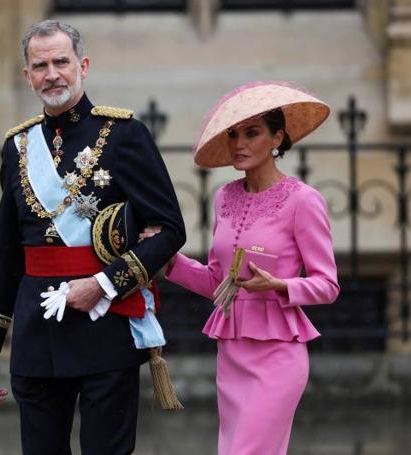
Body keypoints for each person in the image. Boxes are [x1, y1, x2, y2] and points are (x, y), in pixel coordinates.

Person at [0, 19, 185, 455]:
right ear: (26, 76)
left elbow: (170, 230)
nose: (52, 73)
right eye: (40, 65)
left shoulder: (125, 135)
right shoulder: (17, 147)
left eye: (61, 62)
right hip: (37, 331)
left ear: (82, 65)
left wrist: (104, 285)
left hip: (103, 325)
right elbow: (7, 252)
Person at [144, 81, 340, 454]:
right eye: (234, 134)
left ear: (277, 138)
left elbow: (327, 284)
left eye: (252, 133)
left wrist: (281, 285)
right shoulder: (224, 197)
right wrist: (169, 260)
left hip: (278, 356)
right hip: (231, 354)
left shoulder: (303, 200)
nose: (239, 143)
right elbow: (218, 282)